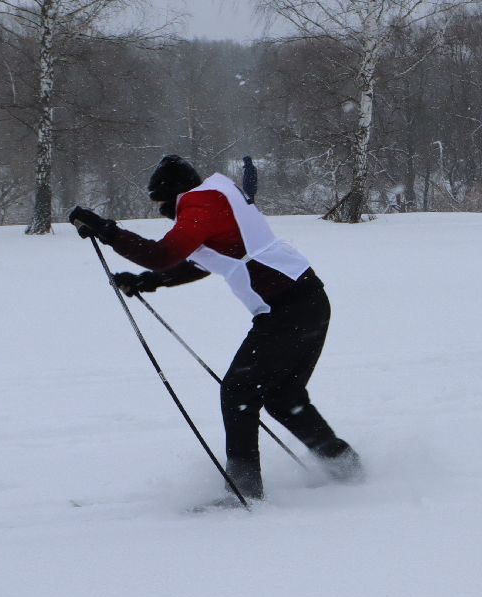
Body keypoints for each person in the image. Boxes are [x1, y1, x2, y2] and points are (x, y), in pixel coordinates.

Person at [67, 155, 365, 504]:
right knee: (283, 398)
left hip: (289, 310)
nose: (162, 210)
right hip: (305, 303)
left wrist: (107, 231)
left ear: (174, 192)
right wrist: (151, 282)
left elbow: (163, 253)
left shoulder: (200, 202)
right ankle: (345, 467)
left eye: (161, 202)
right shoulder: (216, 198)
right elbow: (201, 261)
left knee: (239, 392)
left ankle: (244, 492)